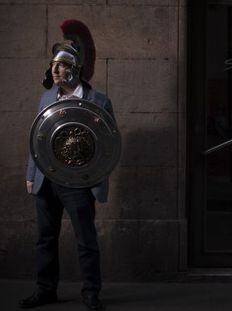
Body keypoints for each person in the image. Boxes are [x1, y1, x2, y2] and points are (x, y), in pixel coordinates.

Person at [20, 24, 114, 311]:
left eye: (62, 65)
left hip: (78, 182)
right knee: (45, 239)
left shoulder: (98, 101)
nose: (56, 71)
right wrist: (30, 174)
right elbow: (37, 137)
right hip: (46, 179)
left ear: (75, 67)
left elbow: (108, 146)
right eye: (53, 65)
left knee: (85, 240)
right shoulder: (47, 98)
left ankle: (90, 293)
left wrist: (96, 178)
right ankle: (46, 290)